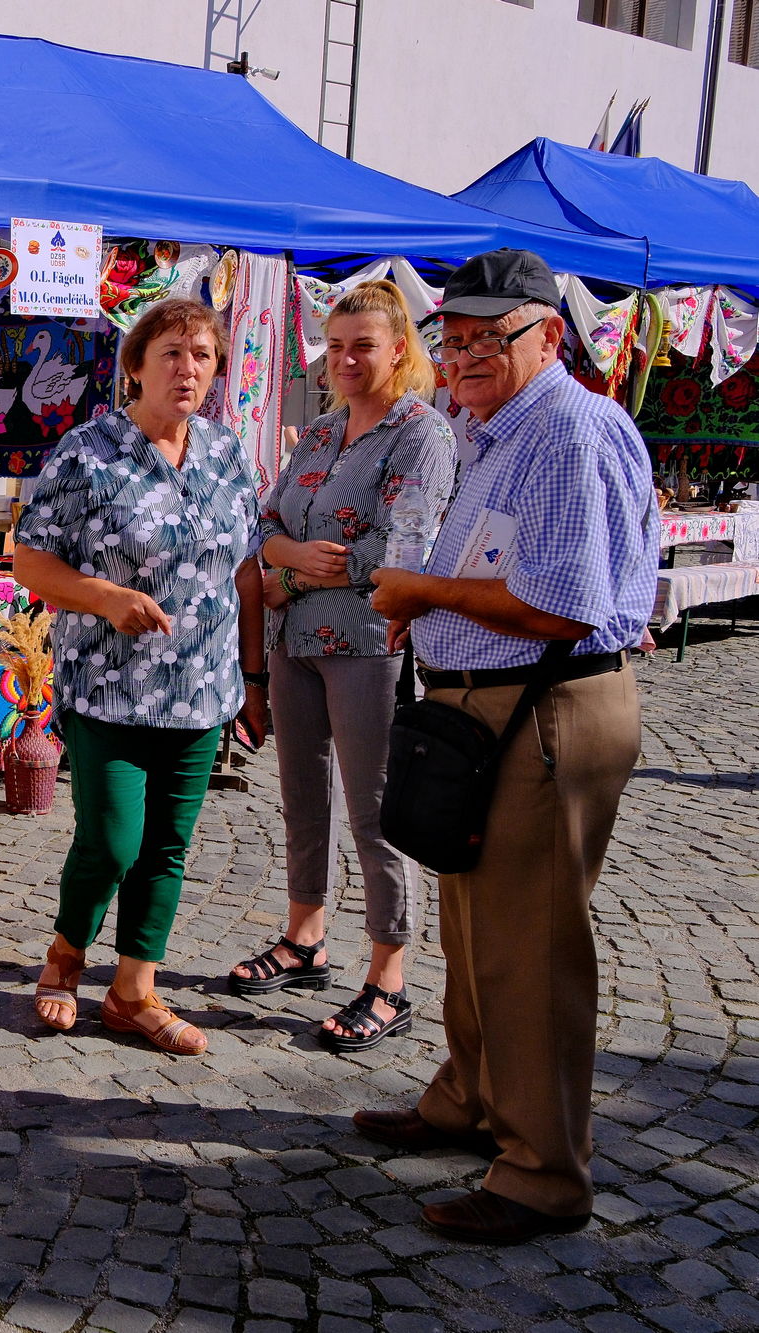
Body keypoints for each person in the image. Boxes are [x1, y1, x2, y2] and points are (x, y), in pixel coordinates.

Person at [359, 249, 654, 1244]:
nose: (468, 355)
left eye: (492, 337)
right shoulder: (490, 429)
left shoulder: (564, 430)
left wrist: (420, 596)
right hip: (491, 706)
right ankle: (468, 1102)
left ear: (548, 336)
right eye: (455, 337)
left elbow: (561, 605)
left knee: (528, 947)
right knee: (479, 929)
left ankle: (541, 1175)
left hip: (546, 706)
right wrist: (428, 612)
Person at [12, 297, 266, 1057]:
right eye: (171, 354)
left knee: (167, 847)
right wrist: (105, 597)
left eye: (202, 356)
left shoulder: (226, 454)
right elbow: (29, 560)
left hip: (201, 688)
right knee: (112, 842)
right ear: (134, 366)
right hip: (108, 685)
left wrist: (254, 674)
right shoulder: (87, 452)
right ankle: (65, 953)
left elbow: (244, 572)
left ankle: (132, 992)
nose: (187, 369)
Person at [228, 281, 458, 1052]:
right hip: (295, 644)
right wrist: (290, 555)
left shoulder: (419, 433)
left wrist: (286, 571)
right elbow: (266, 520)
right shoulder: (322, 433)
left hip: (367, 643)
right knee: (301, 798)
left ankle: (389, 975)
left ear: (399, 349)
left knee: (376, 811)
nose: (346, 358)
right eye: (335, 344)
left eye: (363, 344)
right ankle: (305, 938)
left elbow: (403, 549)